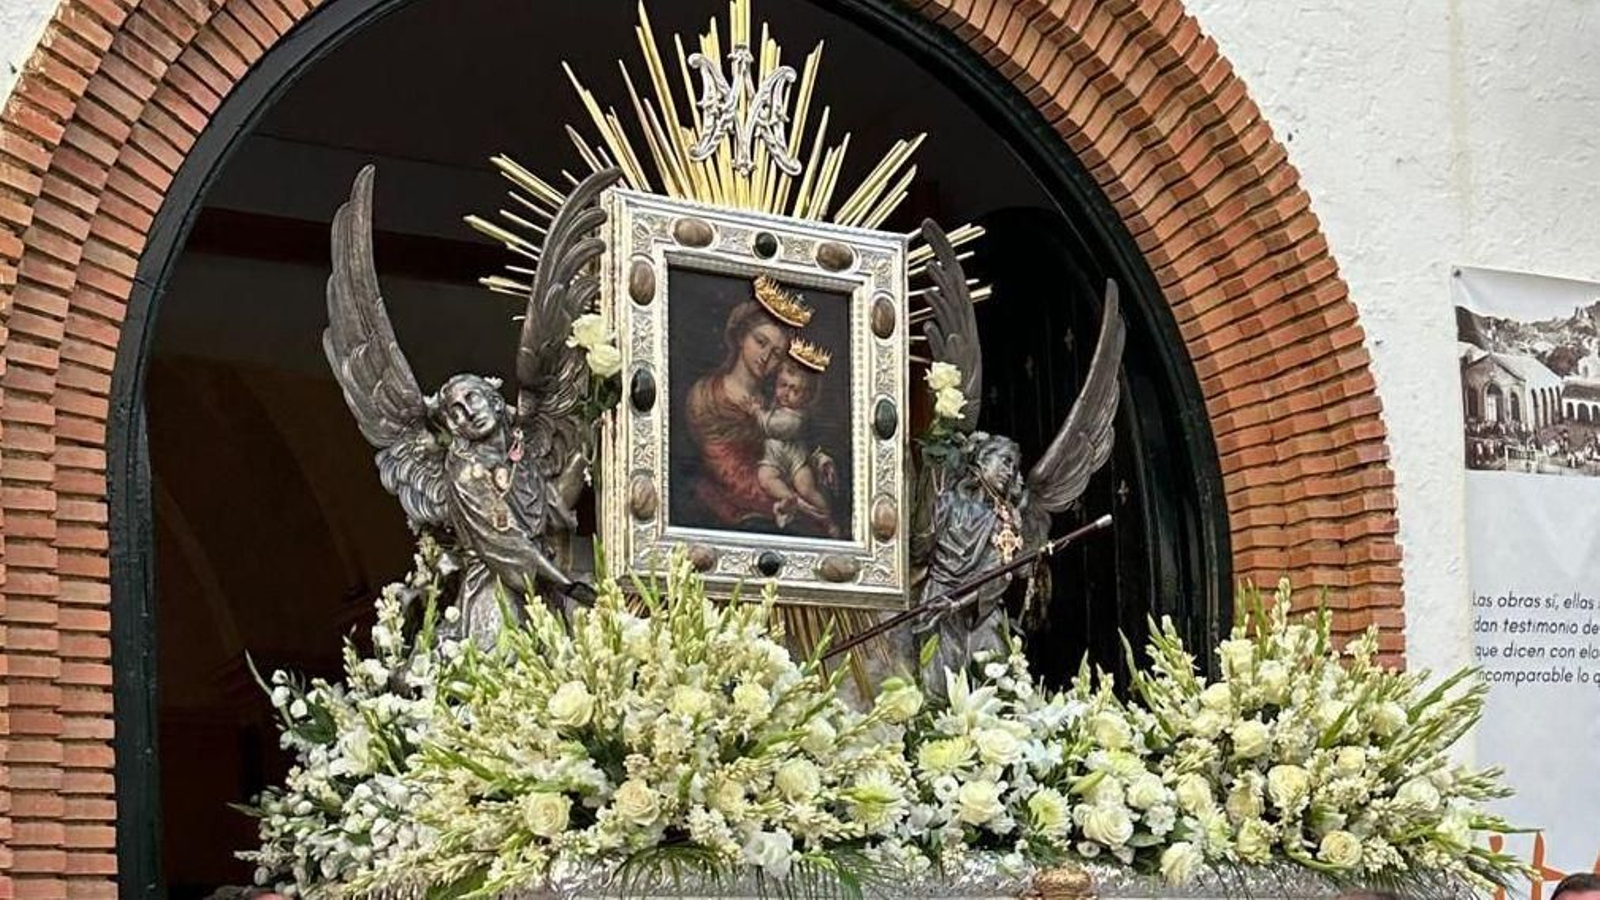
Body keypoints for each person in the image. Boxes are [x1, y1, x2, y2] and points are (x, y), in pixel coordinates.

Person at [684, 299, 795, 530]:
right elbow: (725, 470)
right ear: (742, 337)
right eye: (760, 342)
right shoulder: (707, 395)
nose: (765, 357)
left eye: (775, 354)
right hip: (719, 510)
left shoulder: (777, 408)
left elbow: (789, 457)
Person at [756, 354, 839, 536]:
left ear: (806, 397)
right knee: (765, 477)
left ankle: (828, 519)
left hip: (796, 459)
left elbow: (772, 428)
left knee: (806, 488)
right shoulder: (776, 405)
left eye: (795, 390)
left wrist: (757, 412)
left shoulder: (797, 417)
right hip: (773, 456)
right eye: (783, 385)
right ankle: (788, 498)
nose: (786, 393)